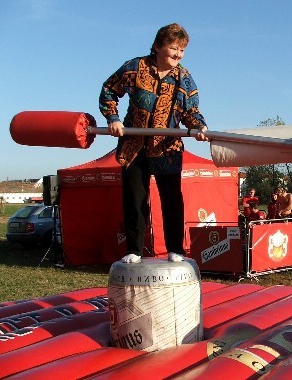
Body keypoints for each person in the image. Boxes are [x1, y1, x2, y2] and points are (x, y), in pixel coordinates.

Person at [99, 23, 209, 264]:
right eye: (173, 48)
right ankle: (134, 250)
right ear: (159, 46)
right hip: (133, 146)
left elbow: (191, 111)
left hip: (167, 147)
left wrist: (200, 127)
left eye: (182, 50)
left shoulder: (184, 77)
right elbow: (109, 90)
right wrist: (113, 119)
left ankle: (175, 249)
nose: (178, 55)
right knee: (135, 199)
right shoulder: (135, 67)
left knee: (171, 200)